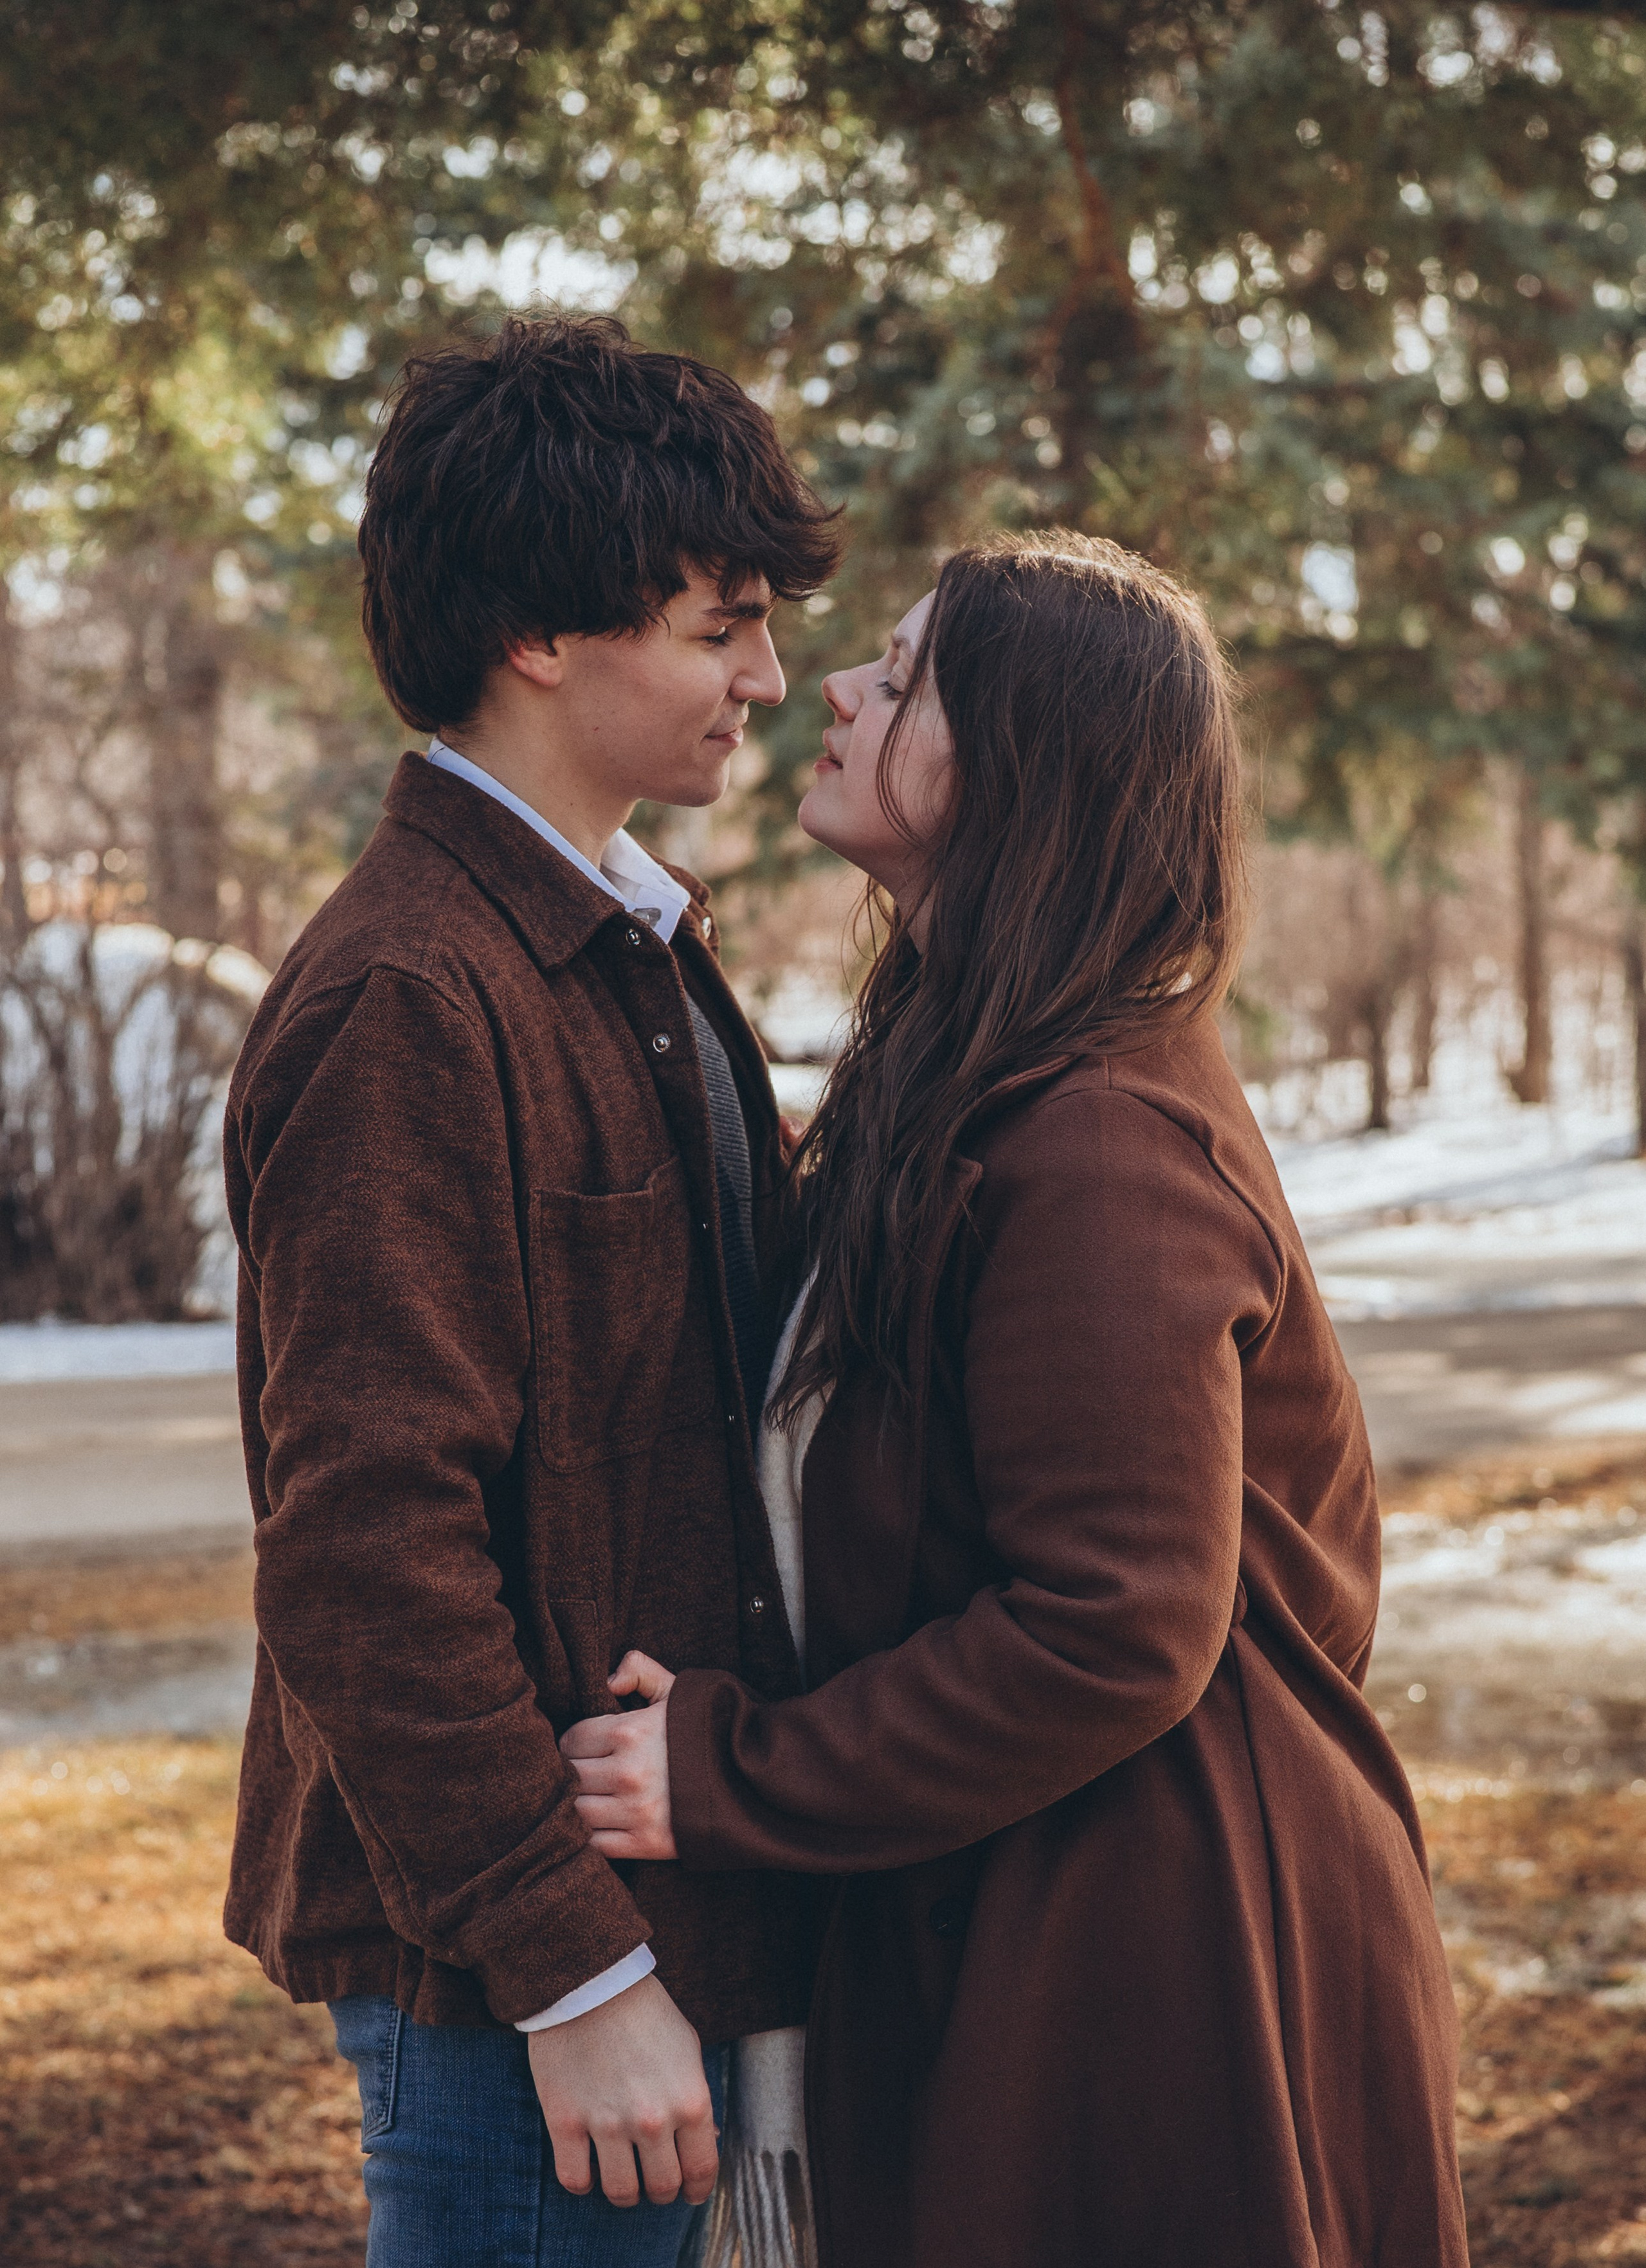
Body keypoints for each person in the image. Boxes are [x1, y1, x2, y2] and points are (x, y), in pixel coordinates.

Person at [561, 533, 1472, 2268]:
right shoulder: (973, 1074)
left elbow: (1119, 1622)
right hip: (1055, 1916)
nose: (835, 689)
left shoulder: (1096, 1138)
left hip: (1163, 1977)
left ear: (1027, 770)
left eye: (906, 680)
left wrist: (737, 1771)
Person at [221, 310, 840, 2266]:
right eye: (723, 626)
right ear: (538, 634)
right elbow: (363, 1545)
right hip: (524, 1999)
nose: (766, 678)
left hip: (644, 1934)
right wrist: (572, 1971)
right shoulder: (413, 995)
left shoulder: (618, 951)